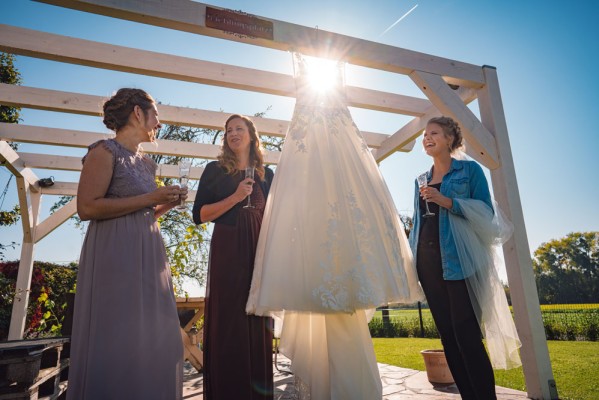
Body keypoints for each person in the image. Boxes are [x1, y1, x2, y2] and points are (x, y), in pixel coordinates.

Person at [245, 53, 423, 399]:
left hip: (337, 186)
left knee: (341, 292)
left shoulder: (332, 92)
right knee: (321, 288)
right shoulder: (311, 88)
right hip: (307, 181)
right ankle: (327, 385)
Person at [67, 88, 185, 400]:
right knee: (120, 333)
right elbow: (87, 208)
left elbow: (143, 211)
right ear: (137, 113)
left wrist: (165, 205)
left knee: (152, 335)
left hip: (148, 252)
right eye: (155, 113)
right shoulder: (103, 152)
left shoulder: (147, 164)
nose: (159, 121)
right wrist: (152, 197)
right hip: (115, 254)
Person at [409, 116, 521, 400]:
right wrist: (410, 261)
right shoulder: (420, 180)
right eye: (424, 135)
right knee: (447, 336)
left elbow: (487, 214)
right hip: (428, 263)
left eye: (433, 133)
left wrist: (447, 201)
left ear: (449, 139)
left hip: (462, 262)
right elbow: (418, 224)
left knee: (467, 334)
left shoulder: (470, 171)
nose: (427, 138)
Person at [192, 114, 274, 400]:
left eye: (239, 128)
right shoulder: (214, 170)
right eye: (228, 130)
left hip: (260, 250)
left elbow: (276, 218)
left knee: (258, 317)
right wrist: (237, 197)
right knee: (229, 318)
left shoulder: (267, 174)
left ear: (252, 135)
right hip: (228, 247)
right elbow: (199, 215)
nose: (233, 133)